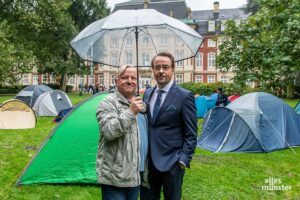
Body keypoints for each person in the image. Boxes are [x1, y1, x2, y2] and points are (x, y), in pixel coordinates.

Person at [143, 52, 197, 200]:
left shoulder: (185, 96)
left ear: (173, 69)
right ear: (153, 70)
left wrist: (183, 160)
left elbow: (191, 133)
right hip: (148, 162)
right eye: (157, 67)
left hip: (172, 163)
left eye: (165, 67)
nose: (161, 71)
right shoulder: (147, 94)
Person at [96, 65, 149, 200]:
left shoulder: (140, 104)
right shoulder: (107, 103)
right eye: (125, 77)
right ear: (117, 80)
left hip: (135, 173)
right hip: (115, 176)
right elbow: (109, 131)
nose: (130, 81)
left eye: (133, 78)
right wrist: (131, 112)